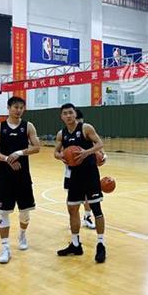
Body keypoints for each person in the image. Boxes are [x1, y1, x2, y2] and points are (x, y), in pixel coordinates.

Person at [0, 96, 40, 264]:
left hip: (23, 175)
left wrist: (19, 153)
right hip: (5, 176)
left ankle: (22, 234)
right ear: (9, 108)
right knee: (3, 212)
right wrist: (7, 159)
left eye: (21, 107)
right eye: (15, 107)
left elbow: (37, 147)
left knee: (25, 212)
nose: (18, 110)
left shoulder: (28, 126)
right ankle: (5, 247)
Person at [54, 103, 107, 263]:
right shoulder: (61, 134)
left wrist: (87, 152)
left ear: (75, 114)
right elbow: (56, 151)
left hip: (90, 174)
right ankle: (75, 244)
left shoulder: (85, 128)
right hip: (74, 175)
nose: (68, 116)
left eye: (71, 112)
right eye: (65, 113)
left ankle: (101, 244)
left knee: (96, 208)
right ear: (61, 116)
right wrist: (60, 156)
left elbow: (100, 144)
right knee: (72, 208)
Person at [62, 109, 107, 230]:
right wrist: (63, 156)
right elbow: (62, 151)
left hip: (87, 170)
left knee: (89, 196)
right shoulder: (64, 133)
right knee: (71, 198)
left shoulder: (85, 130)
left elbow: (97, 145)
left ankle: (87, 216)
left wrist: (103, 156)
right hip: (71, 171)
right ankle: (73, 217)